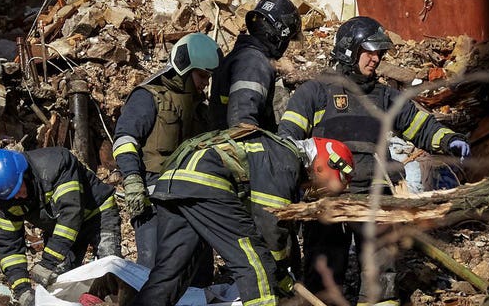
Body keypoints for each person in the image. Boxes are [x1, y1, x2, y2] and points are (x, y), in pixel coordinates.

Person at [277, 16, 472, 305]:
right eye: (369, 52)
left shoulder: (384, 97)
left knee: (382, 275)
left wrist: (447, 139)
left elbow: (421, 125)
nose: (376, 59)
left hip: (375, 196)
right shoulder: (315, 93)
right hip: (328, 197)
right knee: (324, 272)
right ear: (348, 51)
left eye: (379, 53)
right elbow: (287, 141)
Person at [128, 124, 355, 306]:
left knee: (172, 272)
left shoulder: (275, 151)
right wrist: (278, 271)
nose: (312, 190)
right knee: (255, 264)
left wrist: (283, 272)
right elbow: (269, 223)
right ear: (322, 166)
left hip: (174, 182)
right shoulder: (285, 160)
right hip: (206, 183)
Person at [112, 32, 223, 284]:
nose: (205, 83)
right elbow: (124, 139)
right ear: (185, 69)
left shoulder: (200, 110)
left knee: (198, 275)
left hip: (192, 203)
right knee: (153, 274)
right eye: (202, 76)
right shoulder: (149, 97)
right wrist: (132, 180)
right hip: (153, 202)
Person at [0, 147, 122, 306]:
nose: (19, 196)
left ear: (24, 173)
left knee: (109, 269)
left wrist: (48, 262)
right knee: (57, 282)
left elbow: (71, 214)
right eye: (12, 195)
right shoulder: (8, 199)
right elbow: (9, 245)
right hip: (59, 230)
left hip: (97, 214)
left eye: (19, 187)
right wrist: (21, 289)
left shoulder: (56, 164)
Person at [209, 0, 301, 131]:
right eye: (288, 39)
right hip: (237, 149)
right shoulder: (253, 63)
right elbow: (243, 125)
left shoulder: (243, 55)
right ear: (279, 36)